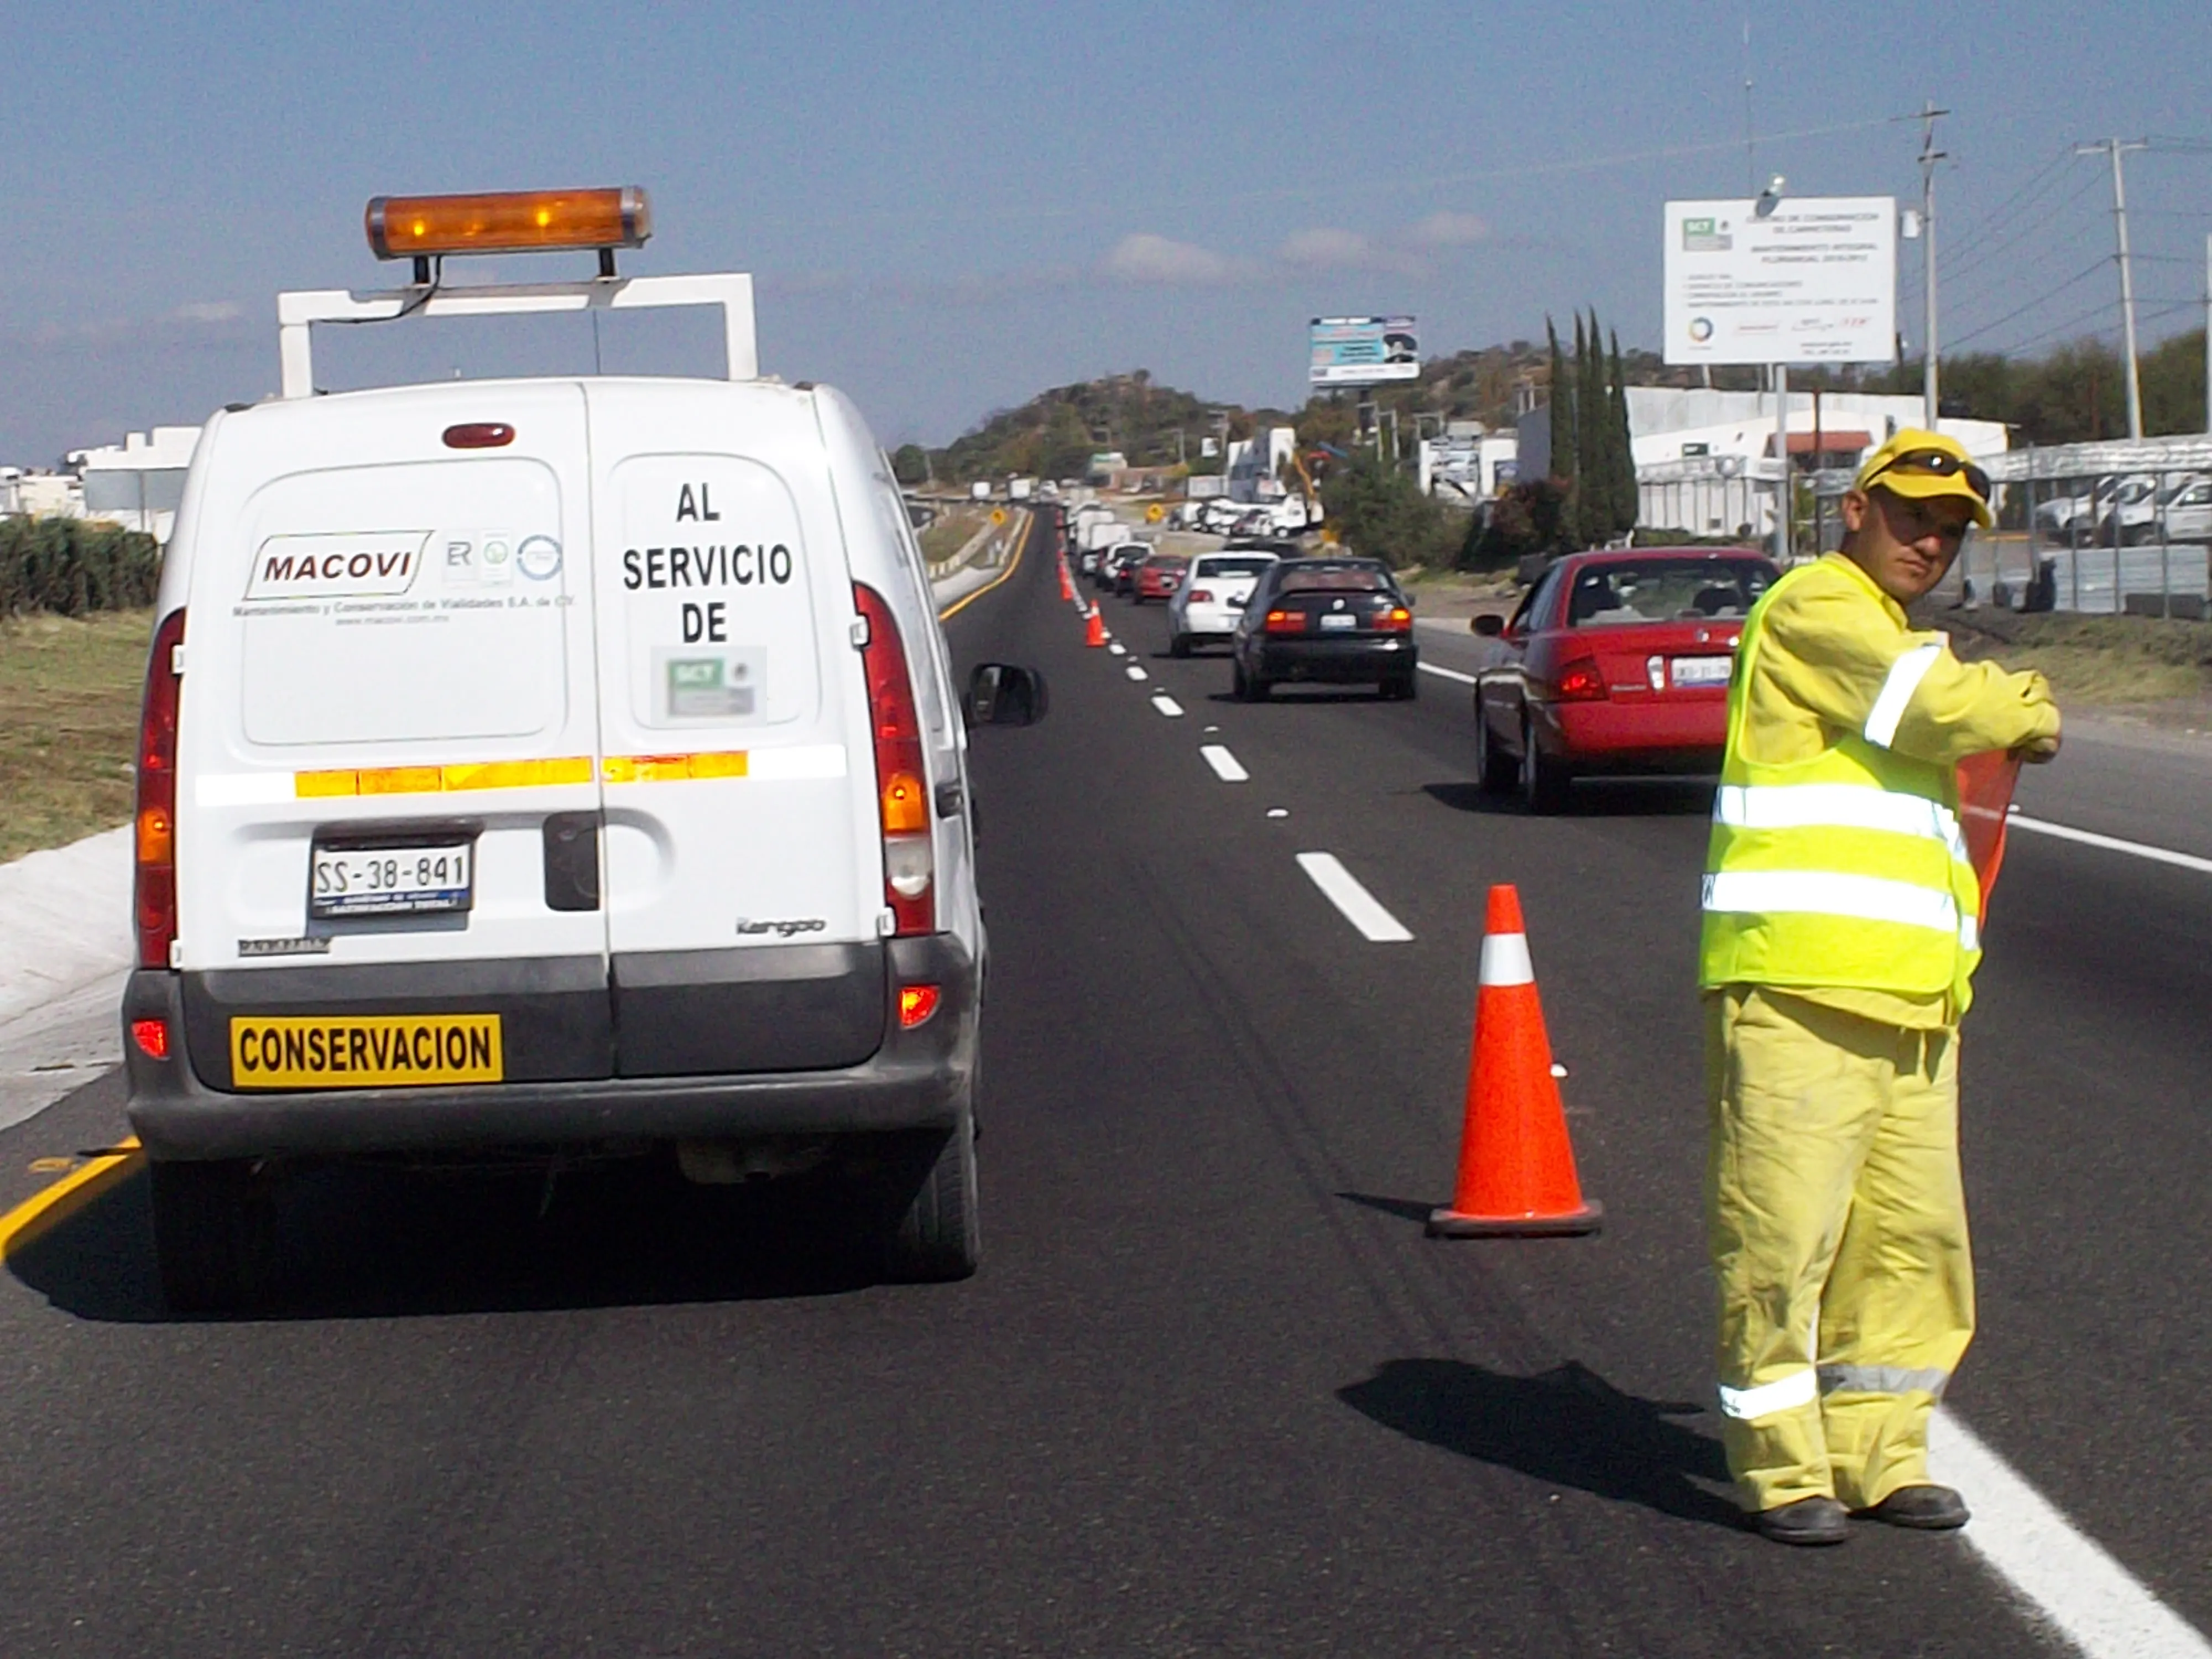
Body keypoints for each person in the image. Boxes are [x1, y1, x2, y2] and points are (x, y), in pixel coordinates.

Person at [1699, 430, 2062, 1546]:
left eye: (1948, 530)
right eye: (1910, 516)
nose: (1929, 541)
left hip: (1911, 1003)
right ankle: (1781, 1469)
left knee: (1909, 1249)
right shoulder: (1814, 611)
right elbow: (1938, 711)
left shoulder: (1894, 634)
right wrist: (2026, 701)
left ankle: (1878, 1452)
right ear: (1852, 508)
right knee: (1782, 1243)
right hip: (1799, 987)